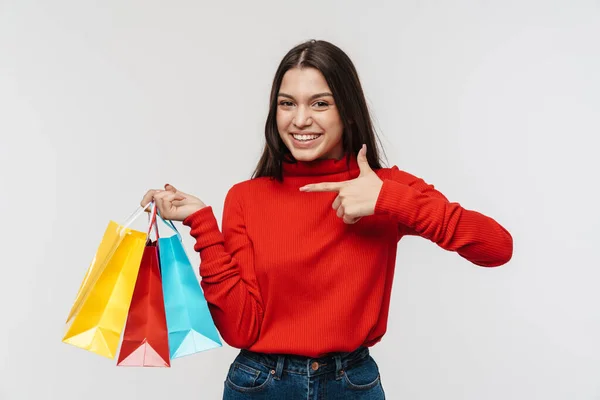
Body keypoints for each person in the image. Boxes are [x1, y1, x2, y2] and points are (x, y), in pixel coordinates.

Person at [141, 39, 513, 399]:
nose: (300, 119)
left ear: (348, 111)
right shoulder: (246, 197)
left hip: (352, 384)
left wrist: (389, 200)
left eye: (320, 103)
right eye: (287, 104)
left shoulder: (385, 189)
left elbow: (496, 247)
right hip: (259, 385)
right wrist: (202, 222)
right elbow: (241, 328)